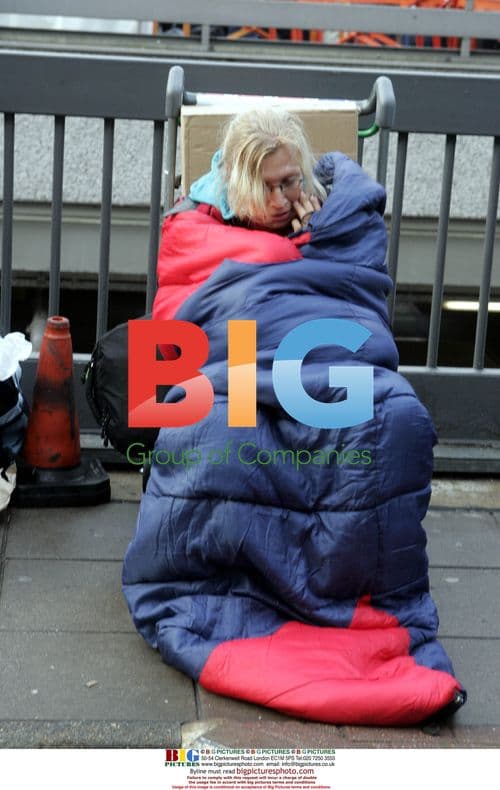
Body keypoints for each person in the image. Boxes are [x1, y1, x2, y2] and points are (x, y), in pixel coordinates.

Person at [123, 106, 465, 726]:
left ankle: (351, 595)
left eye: (291, 182)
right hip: (236, 367)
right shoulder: (197, 230)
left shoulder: (340, 216)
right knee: (216, 430)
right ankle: (249, 591)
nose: (284, 198)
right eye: (269, 186)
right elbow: (183, 323)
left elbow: (360, 298)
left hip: (326, 359)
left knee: (390, 418)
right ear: (237, 184)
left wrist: (328, 238)